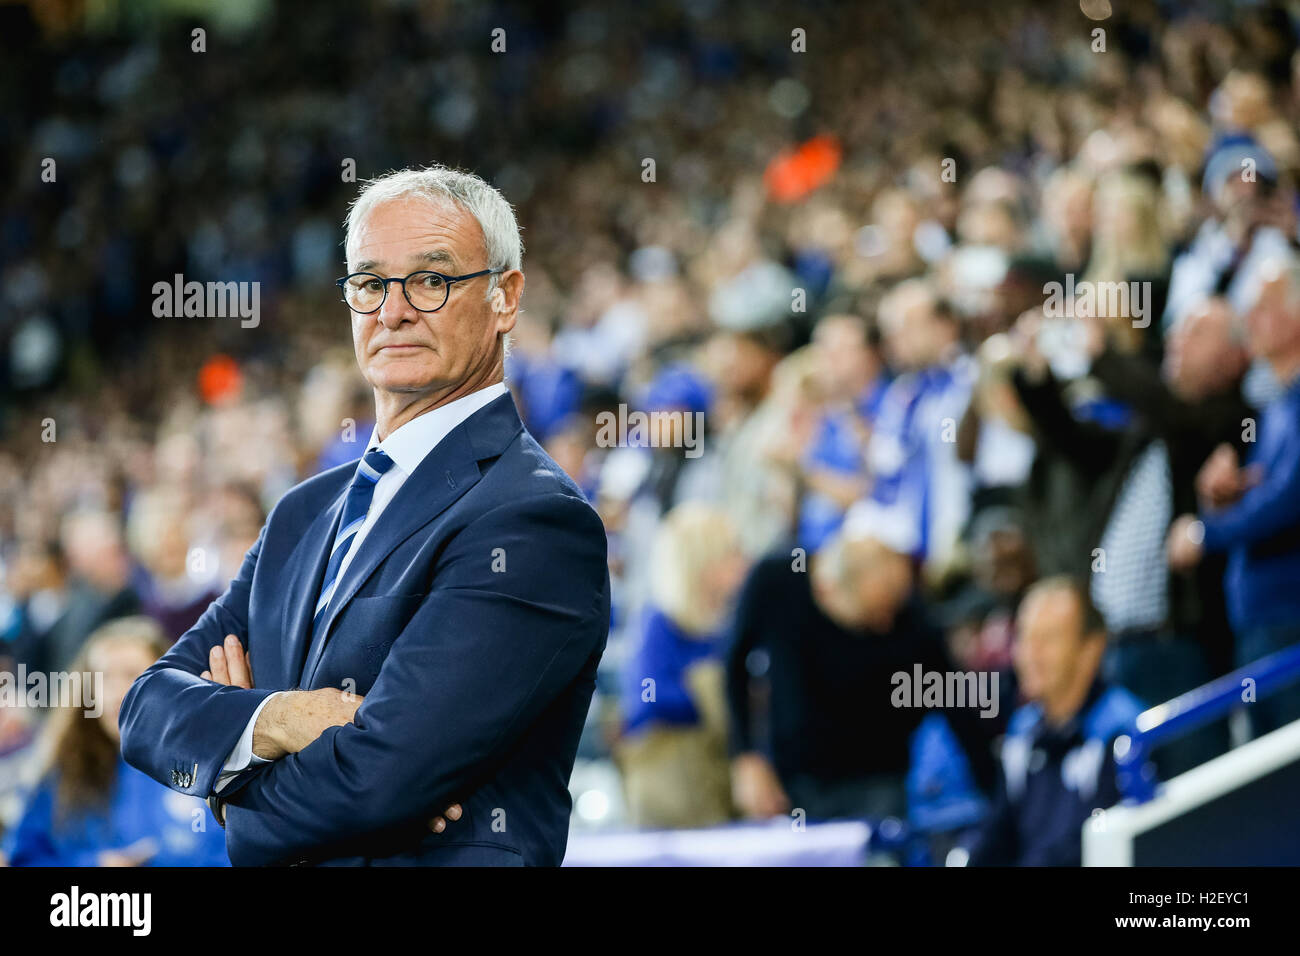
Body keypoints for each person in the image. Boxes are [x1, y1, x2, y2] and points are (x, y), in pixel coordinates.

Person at [118, 165, 611, 867]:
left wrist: (232, 793)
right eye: (371, 283)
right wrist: (280, 719)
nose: (394, 310)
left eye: (431, 280)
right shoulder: (302, 512)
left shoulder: (533, 519)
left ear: (506, 297)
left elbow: (378, 782)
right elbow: (145, 709)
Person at [726, 531, 996, 823]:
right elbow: (733, 664)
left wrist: (999, 799)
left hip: (877, 781)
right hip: (791, 777)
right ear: (829, 590)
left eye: (893, 608)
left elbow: (961, 711)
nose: (886, 624)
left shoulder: (914, 625)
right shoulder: (776, 581)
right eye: (876, 612)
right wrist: (745, 756)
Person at [1168, 256, 1300, 737]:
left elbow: (1289, 499)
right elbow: (1269, 496)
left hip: (1288, 622)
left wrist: (1206, 531)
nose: (1249, 322)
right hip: (1262, 624)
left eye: (1263, 306)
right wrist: (1222, 501)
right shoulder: (1277, 404)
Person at [4, 617, 229, 867]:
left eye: (132, 675)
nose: (117, 691)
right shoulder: (59, 772)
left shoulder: (211, 767)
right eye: (104, 678)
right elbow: (22, 858)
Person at [966, 577, 1144, 867]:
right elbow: (998, 832)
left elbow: (1094, 849)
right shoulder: (1022, 729)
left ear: (1091, 648)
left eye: (1047, 639)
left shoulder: (1126, 733)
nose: (1029, 654)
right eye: (1024, 637)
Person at [615, 504, 748, 829]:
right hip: (674, 785)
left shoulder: (732, 623)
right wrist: (715, 690)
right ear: (704, 562)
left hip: (721, 781)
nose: (745, 563)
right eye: (733, 554)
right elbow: (648, 698)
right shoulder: (659, 622)